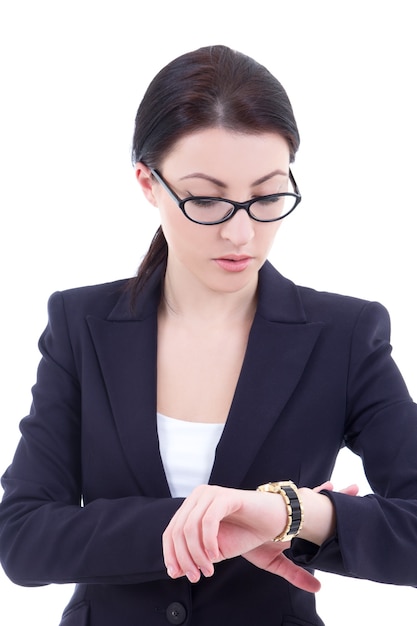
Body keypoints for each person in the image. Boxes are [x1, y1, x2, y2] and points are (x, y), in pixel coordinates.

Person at [0, 44, 416, 626]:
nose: (242, 233)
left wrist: (288, 513)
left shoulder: (345, 336)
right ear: (149, 183)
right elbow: (23, 539)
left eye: (268, 197)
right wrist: (212, 528)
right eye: (206, 200)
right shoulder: (81, 326)